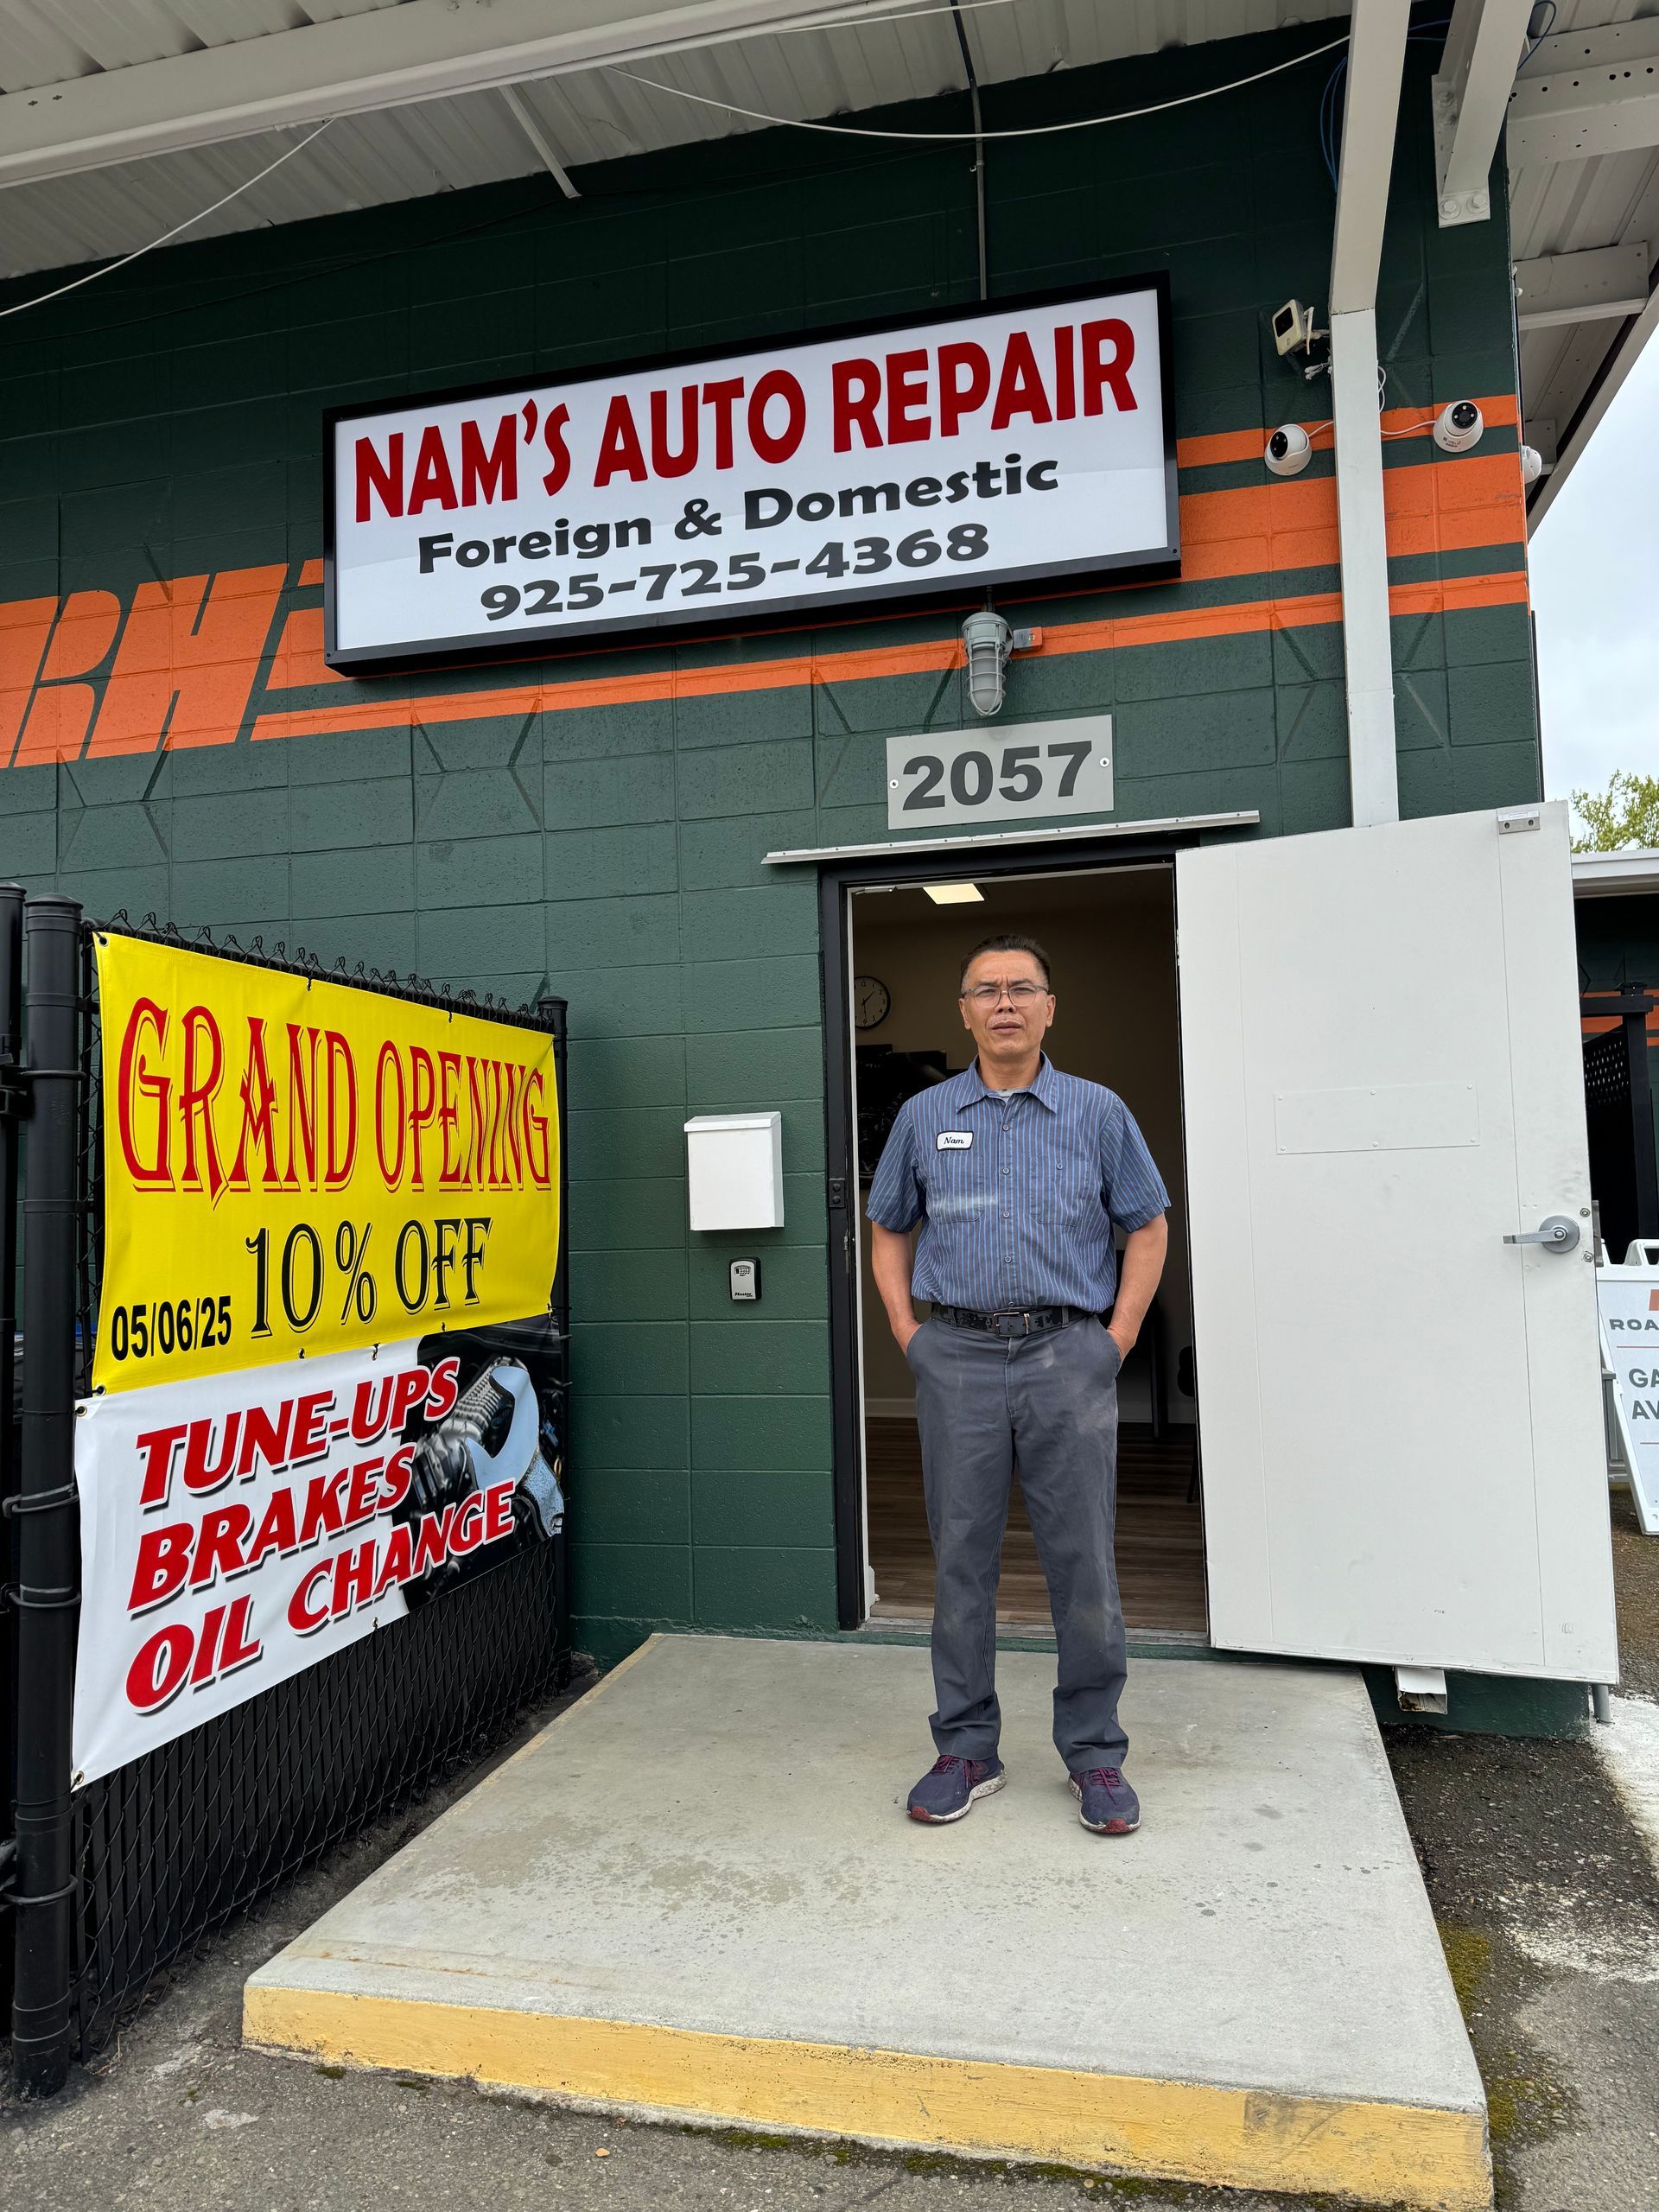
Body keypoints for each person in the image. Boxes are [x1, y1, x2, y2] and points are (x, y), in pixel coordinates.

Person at [866, 932, 1168, 1834]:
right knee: (961, 1558)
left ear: (1049, 1007)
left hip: (1066, 1354)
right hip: (954, 1355)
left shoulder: (1098, 1113)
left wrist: (1115, 1337)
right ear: (963, 1011)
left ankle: (1094, 1752)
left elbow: (1147, 1225)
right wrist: (905, 1330)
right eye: (985, 989)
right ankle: (966, 1747)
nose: (1004, 1002)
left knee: (1084, 1560)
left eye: (1021, 987)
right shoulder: (924, 1117)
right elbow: (888, 1227)